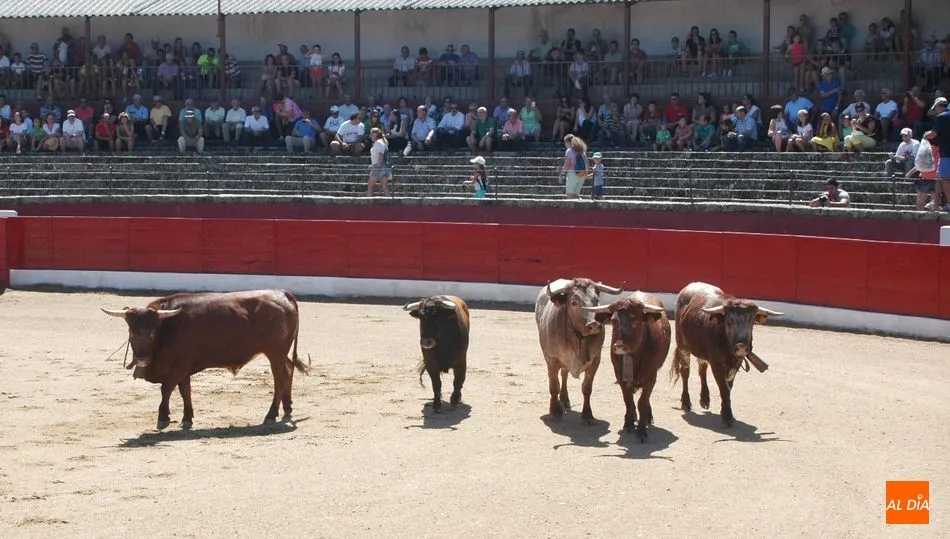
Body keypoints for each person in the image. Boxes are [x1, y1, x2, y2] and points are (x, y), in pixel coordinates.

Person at [561, 134, 589, 199]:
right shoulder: (582, 151)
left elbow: (567, 164)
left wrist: (562, 174)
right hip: (582, 174)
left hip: (572, 174)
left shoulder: (569, 151)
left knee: (570, 196)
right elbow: (587, 163)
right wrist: (585, 174)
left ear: (568, 143)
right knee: (576, 196)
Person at [366, 127, 391, 197]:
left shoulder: (378, 143)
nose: (370, 136)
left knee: (370, 187)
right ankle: (391, 205)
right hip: (385, 167)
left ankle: (368, 204)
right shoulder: (383, 142)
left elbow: (381, 157)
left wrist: (376, 167)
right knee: (385, 187)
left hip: (379, 167)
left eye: (371, 134)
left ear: (375, 135)